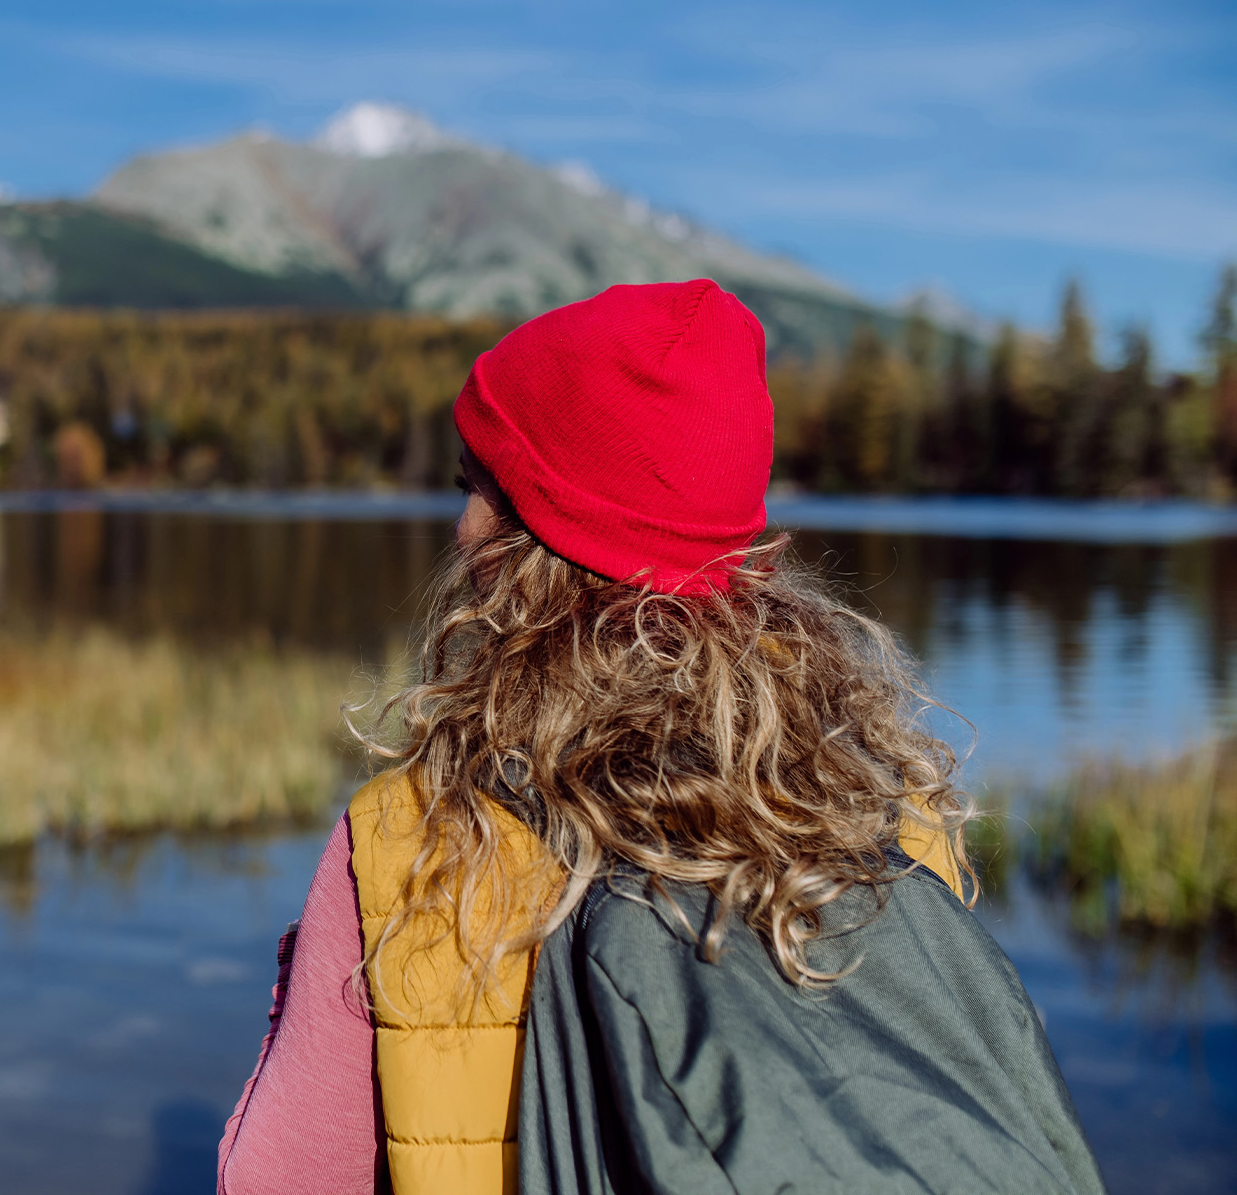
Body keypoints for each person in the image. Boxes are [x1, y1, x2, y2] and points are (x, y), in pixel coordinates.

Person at [215, 280, 1103, 1195]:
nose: (458, 526)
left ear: (533, 536)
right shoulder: (890, 818)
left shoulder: (415, 842)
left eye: (473, 489)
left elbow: (277, 1177)